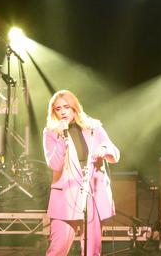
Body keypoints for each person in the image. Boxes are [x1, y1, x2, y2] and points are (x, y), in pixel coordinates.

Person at [43, 89, 120, 256]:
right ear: (53, 111)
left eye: (66, 107)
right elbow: (54, 164)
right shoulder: (51, 132)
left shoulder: (92, 127)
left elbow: (115, 154)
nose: (63, 111)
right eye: (58, 108)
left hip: (91, 194)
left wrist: (104, 149)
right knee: (57, 249)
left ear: (74, 108)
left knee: (92, 251)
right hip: (65, 196)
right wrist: (63, 137)